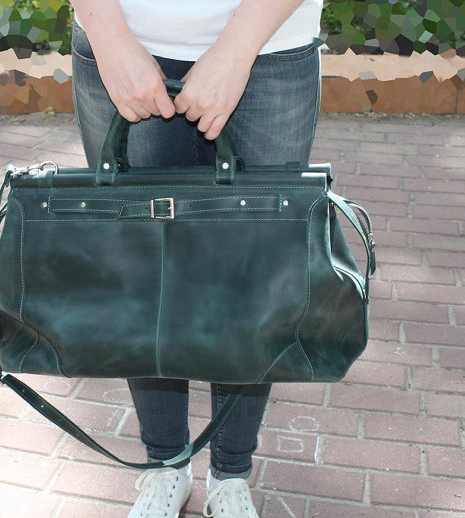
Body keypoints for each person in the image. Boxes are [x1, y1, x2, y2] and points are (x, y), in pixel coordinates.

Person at [68, 1, 324, 516]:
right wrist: (111, 40)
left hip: (270, 50)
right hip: (121, 44)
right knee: (144, 274)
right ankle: (166, 466)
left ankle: (230, 476)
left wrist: (235, 50)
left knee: (254, 280)